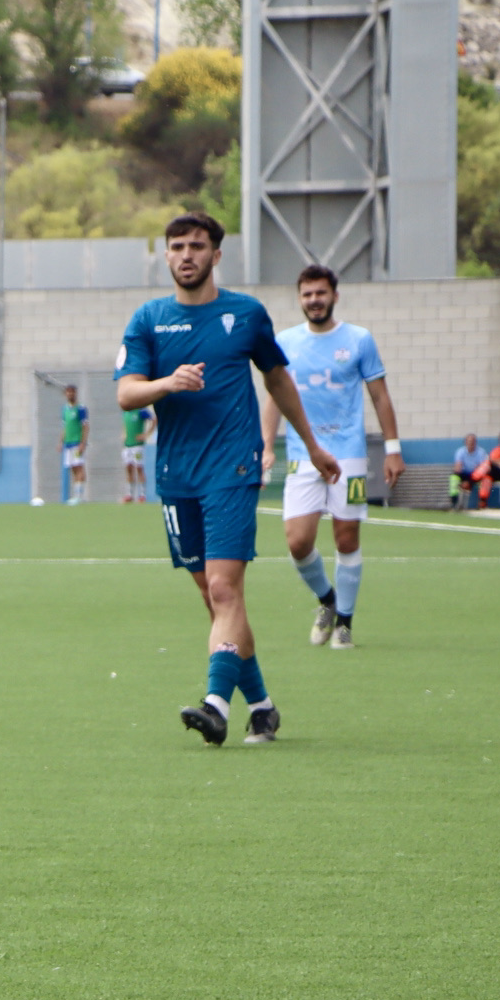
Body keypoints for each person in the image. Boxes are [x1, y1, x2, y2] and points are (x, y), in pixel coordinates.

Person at [116, 212, 337, 747]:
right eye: (176, 247)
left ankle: (215, 705)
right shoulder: (147, 320)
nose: (186, 255)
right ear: (165, 256)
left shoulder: (246, 314)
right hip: (176, 475)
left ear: (217, 255)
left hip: (234, 468)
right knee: (215, 599)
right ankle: (261, 706)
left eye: (197, 246)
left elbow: (277, 379)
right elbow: (126, 393)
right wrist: (169, 383)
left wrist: (309, 444)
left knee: (223, 587)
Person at [259, 263, 404, 652]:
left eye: (321, 293)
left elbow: (380, 396)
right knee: (297, 542)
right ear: (300, 299)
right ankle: (327, 600)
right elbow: (274, 396)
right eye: (307, 294)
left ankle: (345, 624)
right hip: (304, 455)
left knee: (345, 538)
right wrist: (267, 445)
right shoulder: (285, 342)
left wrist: (393, 449)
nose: (314, 300)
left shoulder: (358, 340)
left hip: (349, 457)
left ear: (334, 296)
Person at [59, 383, 90, 504]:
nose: (70, 394)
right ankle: (77, 494)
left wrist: (83, 443)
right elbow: (64, 427)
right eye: (68, 392)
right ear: (65, 394)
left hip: (77, 443)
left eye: (72, 392)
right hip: (68, 444)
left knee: (79, 467)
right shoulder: (65, 409)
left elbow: (86, 426)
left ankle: (79, 496)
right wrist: (61, 442)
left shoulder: (81, 408)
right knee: (72, 468)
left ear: (75, 393)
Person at [121, 404, 153, 502]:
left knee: (139, 468)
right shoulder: (125, 411)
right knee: (129, 468)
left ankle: (142, 495)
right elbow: (125, 425)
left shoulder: (140, 410)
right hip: (128, 445)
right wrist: (124, 434)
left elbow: (153, 420)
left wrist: (146, 434)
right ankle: (129, 494)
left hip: (138, 445)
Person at [452, 434, 484, 508]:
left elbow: (481, 467)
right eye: (469, 441)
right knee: (454, 477)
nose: (471, 443)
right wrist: (462, 478)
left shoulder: (481, 452)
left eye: (473, 442)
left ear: (475, 442)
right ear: (465, 442)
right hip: (464, 473)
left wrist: (469, 481)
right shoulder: (460, 451)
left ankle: (481, 504)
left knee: (481, 477)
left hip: (475, 475)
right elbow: (458, 467)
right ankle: (454, 503)